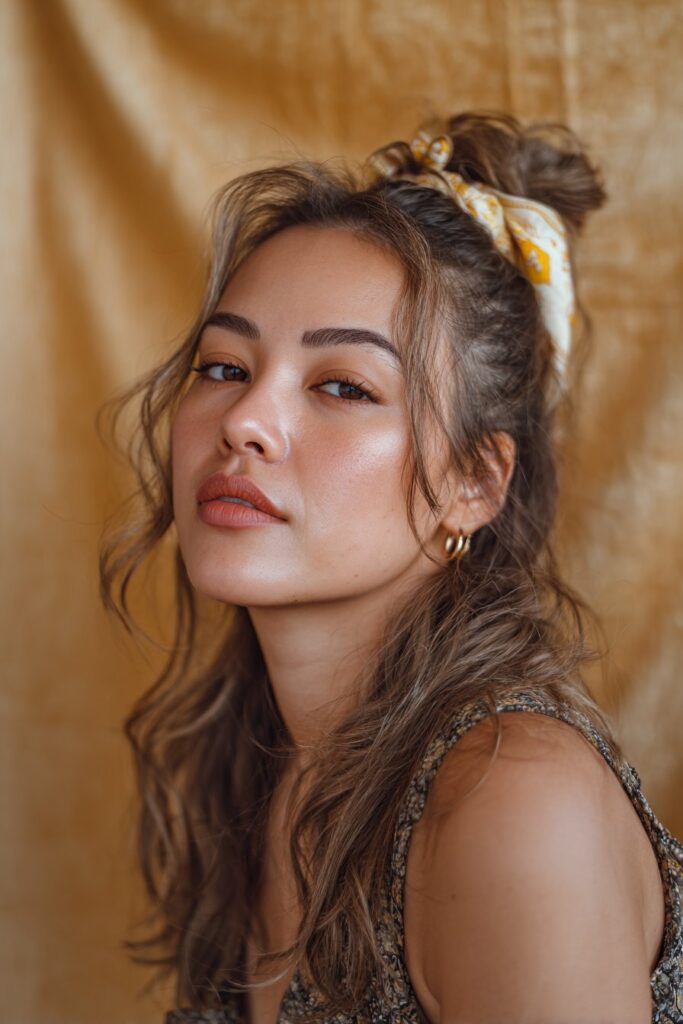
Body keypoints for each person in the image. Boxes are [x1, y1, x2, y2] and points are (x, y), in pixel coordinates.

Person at [99, 111, 683, 1024]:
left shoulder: (512, 805)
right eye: (222, 366)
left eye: (343, 386)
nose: (245, 420)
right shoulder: (262, 763)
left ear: (472, 483)